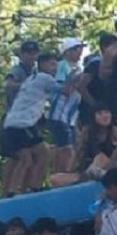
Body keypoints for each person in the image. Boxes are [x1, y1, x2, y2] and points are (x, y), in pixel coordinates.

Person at [0, 52, 68, 196]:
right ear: (42, 65)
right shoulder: (45, 78)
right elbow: (65, 91)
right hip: (22, 124)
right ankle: (22, 188)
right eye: (52, 64)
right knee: (33, 156)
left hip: (13, 123)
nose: (55, 68)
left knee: (34, 155)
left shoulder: (31, 78)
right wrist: (75, 78)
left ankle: (21, 189)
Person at [50, 37, 87, 177]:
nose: (80, 52)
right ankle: (59, 175)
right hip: (59, 114)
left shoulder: (77, 68)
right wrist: (75, 79)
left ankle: (65, 174)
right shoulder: (63, 66)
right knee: (65, 147)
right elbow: (62, 87)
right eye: (77, 49)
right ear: (68, 51)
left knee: (74, 145)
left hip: (70, 117)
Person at [76, 34, 117, 130]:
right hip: (91, 110)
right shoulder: (95, 64)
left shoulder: (115, 65)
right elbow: (81, 86)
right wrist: (94, 105)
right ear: (105, 47)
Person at [4, 39, 39, 109]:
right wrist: (27, 85)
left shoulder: (34, 72)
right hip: (16, 111)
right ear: (21, 55)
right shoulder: (18, 69)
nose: (32, 57)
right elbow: (8, 84)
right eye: (29, 54)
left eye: (34, 54)